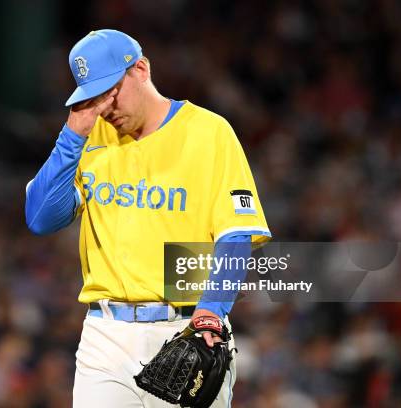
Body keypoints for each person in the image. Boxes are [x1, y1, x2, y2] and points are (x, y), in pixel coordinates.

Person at [25, 29, 271, 407]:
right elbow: (41, 218)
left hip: (186, 327)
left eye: (110, 91)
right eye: (92, 96)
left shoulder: (209, 132)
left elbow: (236, 235)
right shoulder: (90, 137)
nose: (104, 106)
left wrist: (212, 310)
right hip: (104, 335)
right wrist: (72, 134)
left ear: (140, 69)